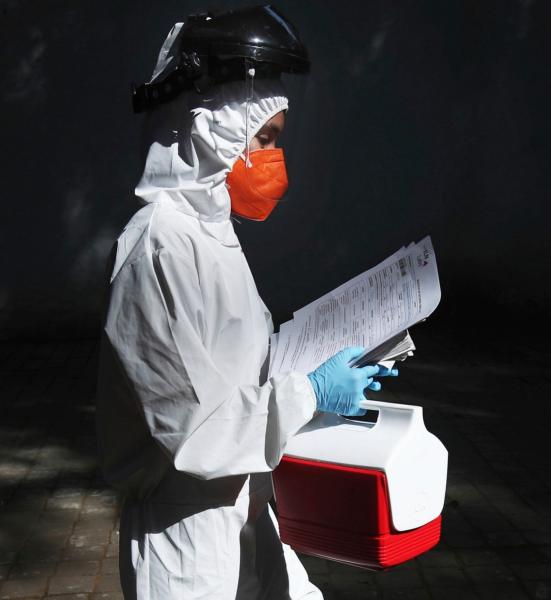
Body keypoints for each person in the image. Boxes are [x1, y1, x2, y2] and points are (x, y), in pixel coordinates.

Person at [96, 6, 394, 599]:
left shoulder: (213, 235)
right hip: (185, 539)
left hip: (246, 507)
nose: (272, 160)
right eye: (265, 138)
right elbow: (192, 428)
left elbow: (237, 377)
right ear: (210, 128)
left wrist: (315, 378)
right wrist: (310, 392)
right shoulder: (159, 245)